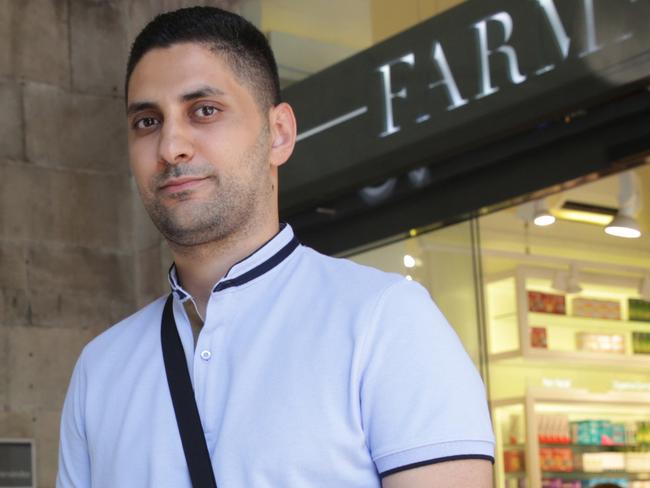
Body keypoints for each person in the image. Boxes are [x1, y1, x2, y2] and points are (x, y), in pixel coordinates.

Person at [56, 6, 494, 488]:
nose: (170, 147)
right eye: (146, 121)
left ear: (279, 134)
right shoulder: (100, 369)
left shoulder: (386, 322)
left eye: (204, 111)